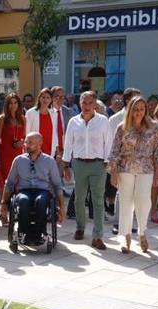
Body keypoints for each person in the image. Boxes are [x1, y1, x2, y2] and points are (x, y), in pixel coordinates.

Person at [108, 96, 158, 253]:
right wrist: (113, 172)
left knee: (144, 201)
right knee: (126, 201)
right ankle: (125, 236)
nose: (139, 112)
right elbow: (114, 151)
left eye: (142, 109)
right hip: (125, 167)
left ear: (146, 110)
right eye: (136, 109)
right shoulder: (122, 127)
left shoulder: (153, 127)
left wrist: (157, 173)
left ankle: (142, 232)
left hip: (146, 167)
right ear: (130, 110)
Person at [62, 91, 111, 250]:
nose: (87, 106)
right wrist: (66, 165)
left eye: (90, 103)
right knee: (79, 199)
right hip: (79, 163)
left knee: (97, 200)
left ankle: (97, 236)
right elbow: (68, 143)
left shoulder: (103, 121)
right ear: (80, 103)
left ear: (95, 104)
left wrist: (107, 162)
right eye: (84, 103)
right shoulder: (73, 122)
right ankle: (80, 227)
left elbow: (108, 143)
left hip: (98, 164)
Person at [1, 132, 64, 244]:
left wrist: (62, 206)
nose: (26, 145)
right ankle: (23, 232)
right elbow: (10, 182)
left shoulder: (49, 161)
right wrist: (4, 203)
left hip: (42, 191)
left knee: (41, 201)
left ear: (40, 144)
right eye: (26, 142)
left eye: (30, 143)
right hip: (24, 190)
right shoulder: (19, 160)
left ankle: (40, 233)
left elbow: (57, 185)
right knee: (23, 200)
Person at [0, 93, 26, 224]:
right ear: (6, 105)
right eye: (10, 103)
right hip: (4, 155)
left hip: (18, 156)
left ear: (19, 104)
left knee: (17, 186)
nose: (13, 106)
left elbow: (24, 137)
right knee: (3, 187)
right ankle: (3, 213)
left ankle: (14, 211)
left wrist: (22, 143)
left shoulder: (23, 119)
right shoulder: (2, 119)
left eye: (15, 103)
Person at [25, 88, 62, 160]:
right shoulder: (30, 113)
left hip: (49, 149)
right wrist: (27, 150)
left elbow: (55, 134)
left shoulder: (54, 113)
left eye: (48, 97)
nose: (45, 100)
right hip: (34, 149)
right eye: (43, 97)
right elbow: (27, 132)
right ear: (39, 98)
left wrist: (57, 152)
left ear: (51, 99)